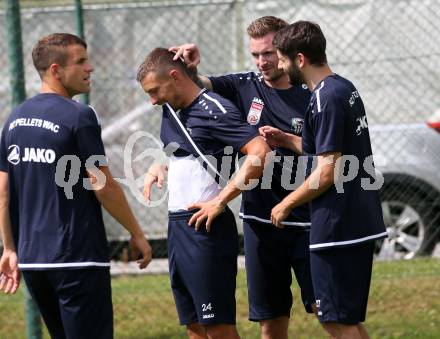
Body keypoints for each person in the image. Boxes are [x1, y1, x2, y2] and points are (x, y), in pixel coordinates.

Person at [169, 16, 316, 339]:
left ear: (287, 49)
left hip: (308, 222)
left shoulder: (312, 94)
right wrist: (192, 66)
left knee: (331, 314)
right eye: (256, 54)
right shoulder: (243, 85)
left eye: (269, 52)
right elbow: (198, 87)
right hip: (260, 223)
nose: (262, 61)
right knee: (271, 321)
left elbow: (329, 154)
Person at [0, 33, 152, 339]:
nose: (90, 68)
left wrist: (10, 247)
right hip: (77, 257)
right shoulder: (79, 116)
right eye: (80, 61)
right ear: (56, 70)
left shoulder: (14, 120)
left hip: (33, 261)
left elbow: (3, 190)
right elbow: (103, 186)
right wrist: (136, 233)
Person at [138, 47, 270, 339]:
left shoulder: (214, 108)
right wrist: (162, 165)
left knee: (218, 328)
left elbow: (260, 153)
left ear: (175, 77)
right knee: (195, 326)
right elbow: (190, 154)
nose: (152, 100)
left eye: (154, 91)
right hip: (177, 226)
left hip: (205, 227)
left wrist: (220, 201)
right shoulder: (170, 109)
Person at [271, 21, 388, 339]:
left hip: (339, 224)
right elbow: (328, 150)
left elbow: (327, 171)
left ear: (300, 59)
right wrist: (286, 140)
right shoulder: (342, 87)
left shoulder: (325, 99)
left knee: (334, 319)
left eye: (281, 59)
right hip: (354, 220)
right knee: (344, 319)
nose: (279, 66)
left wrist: (286, 203)